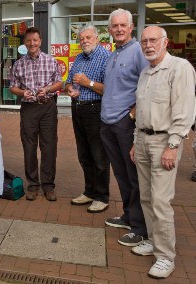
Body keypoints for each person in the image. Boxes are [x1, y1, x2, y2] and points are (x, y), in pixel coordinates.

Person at [129, 26, 195, 279]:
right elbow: (142, 112)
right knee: (146, 197)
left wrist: (173, 145)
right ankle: (154, 242)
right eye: (144, 41)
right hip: (144, 140)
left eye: (153, 40)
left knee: (160, 201)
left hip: (165, 143)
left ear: (165, 42)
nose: (148, 45)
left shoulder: (180, 68)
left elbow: (185, 110)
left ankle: (166, 256)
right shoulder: (146, 72)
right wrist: (136, 141)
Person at [101, 9, 149, 247]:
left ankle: (140, 227)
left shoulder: (138, 51)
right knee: (121, 174)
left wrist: (131, 114)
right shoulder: (113, 55)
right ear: (109, 30)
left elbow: (147, 85)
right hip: (108, 123)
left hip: (125, 123)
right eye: (114, 26)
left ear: (131, 28)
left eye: (123, 25)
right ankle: (129, 216)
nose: (118, 29)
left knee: (134, 176)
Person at [9, 27, 62, 202]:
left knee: (49, 147)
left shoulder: (50, 61)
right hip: (29, 109)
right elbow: (13, 87)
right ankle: (33, 185)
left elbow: (59, 83)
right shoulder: (18, 64)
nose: (32, 43)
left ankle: (48, 186)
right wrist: (23, 93)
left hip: (47, 107)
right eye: (29, 40)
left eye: (35, 40)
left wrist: (46, 89)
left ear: (40, 41)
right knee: (29, 147)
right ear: (25, 42)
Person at [66, 25, 111, 213]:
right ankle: (89, 191)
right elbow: (69, 81)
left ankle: (102, 196)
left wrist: (88, 83)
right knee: (84, 154)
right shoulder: (78, 58)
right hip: (78, 109)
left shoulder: (106, 58)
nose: (84, 41)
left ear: (97, 38)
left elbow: (109, 89)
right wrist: (70, 89)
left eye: (88, 37)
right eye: (81, 38)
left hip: (95, 110)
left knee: (99, 156)